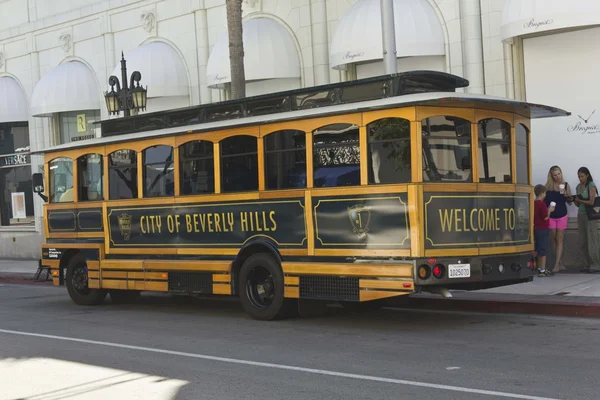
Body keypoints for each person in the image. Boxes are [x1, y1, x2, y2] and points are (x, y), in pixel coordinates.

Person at [571, 167, 600, 273]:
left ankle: (595, 264)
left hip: (590, 216)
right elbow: (578, 204)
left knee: (592, 240)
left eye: (582, 176)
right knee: (582, 241)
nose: (580, 178)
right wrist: (574, 200)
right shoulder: (578, 187)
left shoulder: (591, 185)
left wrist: (580, 200)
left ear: (587, 175)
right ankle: (585, 264)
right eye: (579, 176)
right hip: (581, 215)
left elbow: (592, 202)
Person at [544, 166, 572, 273]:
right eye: (555, 175)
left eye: (559, 174)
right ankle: (559, 262)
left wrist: (567, 195)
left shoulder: (565, 185)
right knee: (554, 240)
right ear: (551, 175)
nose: (557, 177)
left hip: (562, 215)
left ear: (561, 173)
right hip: (551, 216)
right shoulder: (547, 187)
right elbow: (544, 202)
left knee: (559, 239)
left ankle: (556, 265)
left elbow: (569, 202)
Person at [534, 184, 555, 277]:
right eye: (545, 193)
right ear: (542, 193)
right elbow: (545, 217)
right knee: (543, 250)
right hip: (543, 229)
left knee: (539, 249)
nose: (545, 195)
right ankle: (542, 270)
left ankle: (539, 268)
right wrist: (549, 210)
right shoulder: (541, 204)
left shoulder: (534, 203)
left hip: (536, 229)